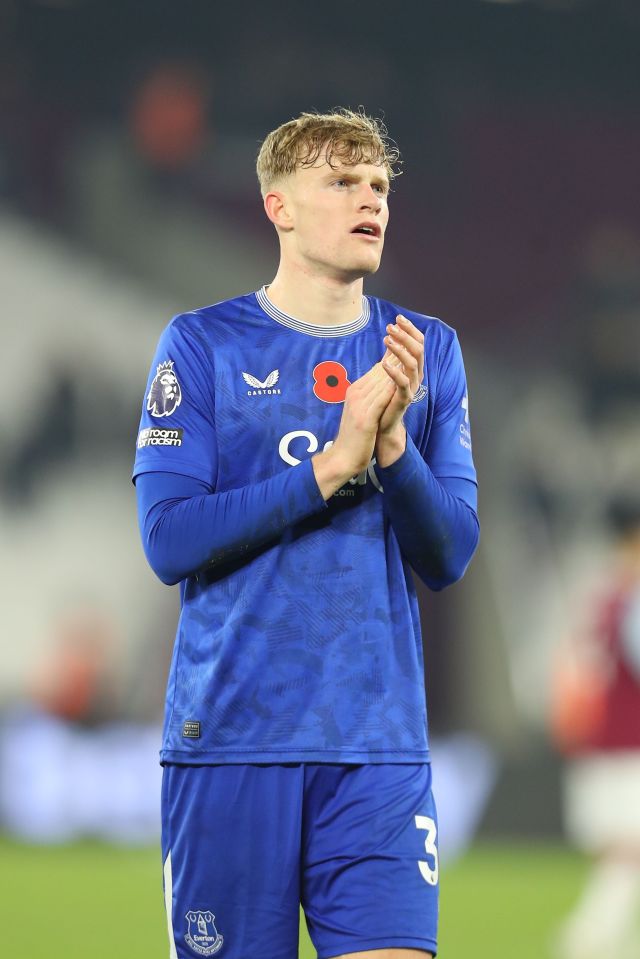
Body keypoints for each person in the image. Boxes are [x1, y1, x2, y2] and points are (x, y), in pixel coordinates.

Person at [133, 108, 479, 959]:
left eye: (380, 185)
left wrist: (393, 448)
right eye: (343, 181)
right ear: (278, 206)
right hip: (232, 743)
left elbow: (451, 554)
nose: (372, 199)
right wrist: (330, 469)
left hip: (377, 749)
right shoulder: (202, 345)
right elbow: (168, 540)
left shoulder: (424, 354)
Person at [551, 499, 640, 959]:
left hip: (600, 744)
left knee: (621, 854)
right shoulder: (629, 600)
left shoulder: (602, 597)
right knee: (627, 855)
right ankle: (586, 941)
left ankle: (612, 944)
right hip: (627, 746)